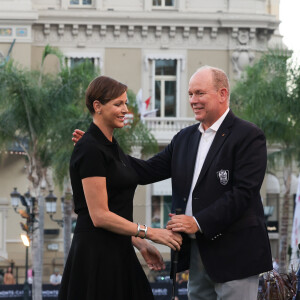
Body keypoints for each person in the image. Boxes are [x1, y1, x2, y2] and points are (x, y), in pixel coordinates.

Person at [73, 66, 273, 300]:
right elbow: (145, 170)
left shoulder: (249, 136)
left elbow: (243, 194)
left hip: (236, 254)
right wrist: (99, 147)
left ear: (222, 94)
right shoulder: (184, 138)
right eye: (190, 94)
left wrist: (197, 222)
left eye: (199, 93)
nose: (193, 100)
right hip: (197, 252)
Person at [59, 75, 182, 300]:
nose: (125, 109)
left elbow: (149, 170)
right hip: (97, 256)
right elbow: (100, 217)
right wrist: (151, 233)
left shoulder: (108, 148)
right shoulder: (90, 148)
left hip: (118, 249)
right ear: (97, 106)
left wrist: (139, 243)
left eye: (125, 103)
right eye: (118, 104)